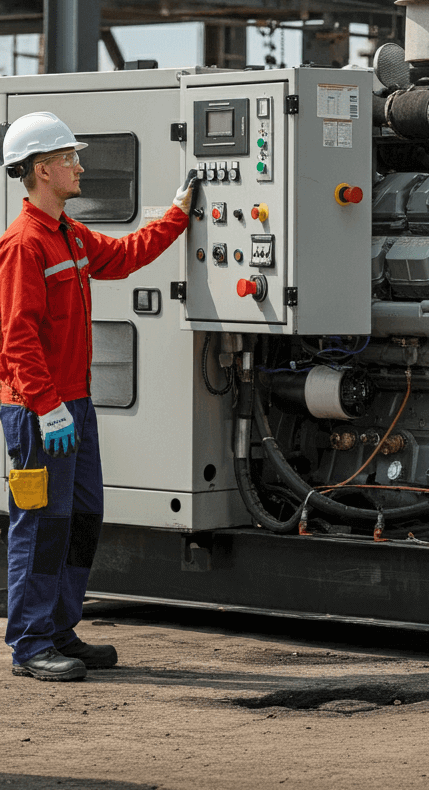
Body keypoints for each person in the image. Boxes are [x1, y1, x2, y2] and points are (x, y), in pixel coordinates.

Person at [0, 112, 195, 682]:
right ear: (42, 169)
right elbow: (16, 339)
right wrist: (45, 405)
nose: (79, 166)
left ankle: (61, 628)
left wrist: (177, 215)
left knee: (82, 518)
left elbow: (127, 254)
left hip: (73, 408)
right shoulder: (23, 245)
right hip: (39, 413)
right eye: (69, 158)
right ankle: (31, 643)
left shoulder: (69, 234)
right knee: (40, 525)